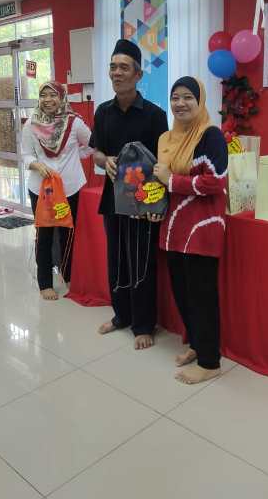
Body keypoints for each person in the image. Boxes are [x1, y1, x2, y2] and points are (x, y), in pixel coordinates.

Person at [91, 38, 168, 350]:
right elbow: (96, 151)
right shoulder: (103, 112)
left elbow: (162, 162)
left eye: (124, 67)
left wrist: (156, 202)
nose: (116, 73)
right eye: (113, 67)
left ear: (138, 75)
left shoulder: (154, 115)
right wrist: (105, 160)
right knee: (117, 260)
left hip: (143, 202)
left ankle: (144, 324)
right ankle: (121, 315)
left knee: (141, 263)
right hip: (112, 198)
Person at [153, 76, 228, 384]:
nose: (180, 103)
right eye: (175, 97)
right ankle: (197, 345)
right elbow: (158, 178)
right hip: (173, 228)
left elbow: (215, 182)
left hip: (201, 228)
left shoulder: (211, 136)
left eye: (188, 97)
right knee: (182, 293)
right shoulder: (167, 138)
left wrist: (171, 180)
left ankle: (210, 362)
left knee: (202, 296)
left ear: (200, 101)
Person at [22, 81, 92, 300]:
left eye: (53, 95)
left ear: (62, 98)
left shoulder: (74, 123)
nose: (47, 100)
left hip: (70, 188)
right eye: (43, 95)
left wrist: (75, 157)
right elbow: (26, 154)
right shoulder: (31, 124)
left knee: (68, 234)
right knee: (44, 235)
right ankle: (45, 283)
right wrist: (36, 164)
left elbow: (92, 144)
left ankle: (68, 275)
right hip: (41, 190)